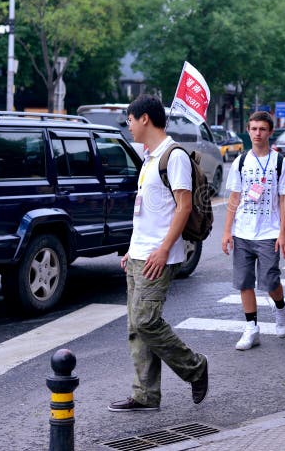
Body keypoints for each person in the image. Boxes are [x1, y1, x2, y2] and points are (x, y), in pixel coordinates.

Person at [109, 94, 208, 412]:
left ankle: (195, 367)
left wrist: (163, 249)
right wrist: (131, 249)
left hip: (158, 256)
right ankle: (145, 395)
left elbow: (184, 206)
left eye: (129, 120)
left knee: (146, 321)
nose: (128, 126)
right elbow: (146, 212)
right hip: (139, 254)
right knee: (135, 328)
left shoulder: (173, 156)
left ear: (145, 119)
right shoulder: (150, 157)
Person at [222, 111, 285, 351]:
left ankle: (281, 307)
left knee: (270, 281)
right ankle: (251, 327)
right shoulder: (241, 162)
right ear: (248, 131)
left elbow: (284, 200)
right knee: (244, 282)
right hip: (243, 231)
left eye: (262, 129)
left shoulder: (280, 163)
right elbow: (234, 197)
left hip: (269, 232)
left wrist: (283, 233)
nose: (257, 133)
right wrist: (227, 230)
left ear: (270, 132)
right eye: (253, 129)